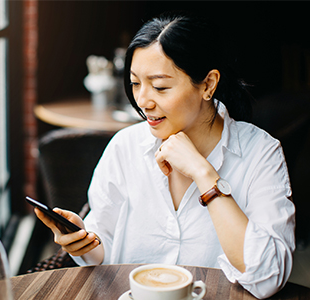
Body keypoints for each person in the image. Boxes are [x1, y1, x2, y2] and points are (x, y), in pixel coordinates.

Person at [35, 11, 295, 299]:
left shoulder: (260, 152)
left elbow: (269, 276)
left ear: (208, 84)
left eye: (160, 86)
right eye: (135, 83)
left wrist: (204, 173)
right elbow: (104, 248)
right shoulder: (125, 147)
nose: (143, 101)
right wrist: (83, 243)